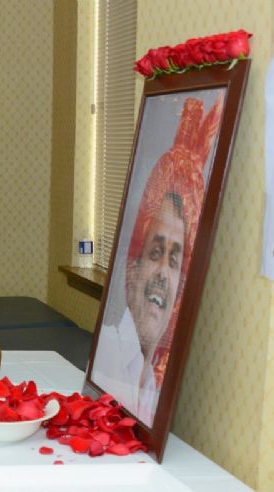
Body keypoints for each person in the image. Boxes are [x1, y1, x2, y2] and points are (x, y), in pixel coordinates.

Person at [92, 95, 222, 427]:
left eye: (175, 260)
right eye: (155, 252)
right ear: (132, 267)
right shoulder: (107, 356)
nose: (164, 272)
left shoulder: (153, 386)